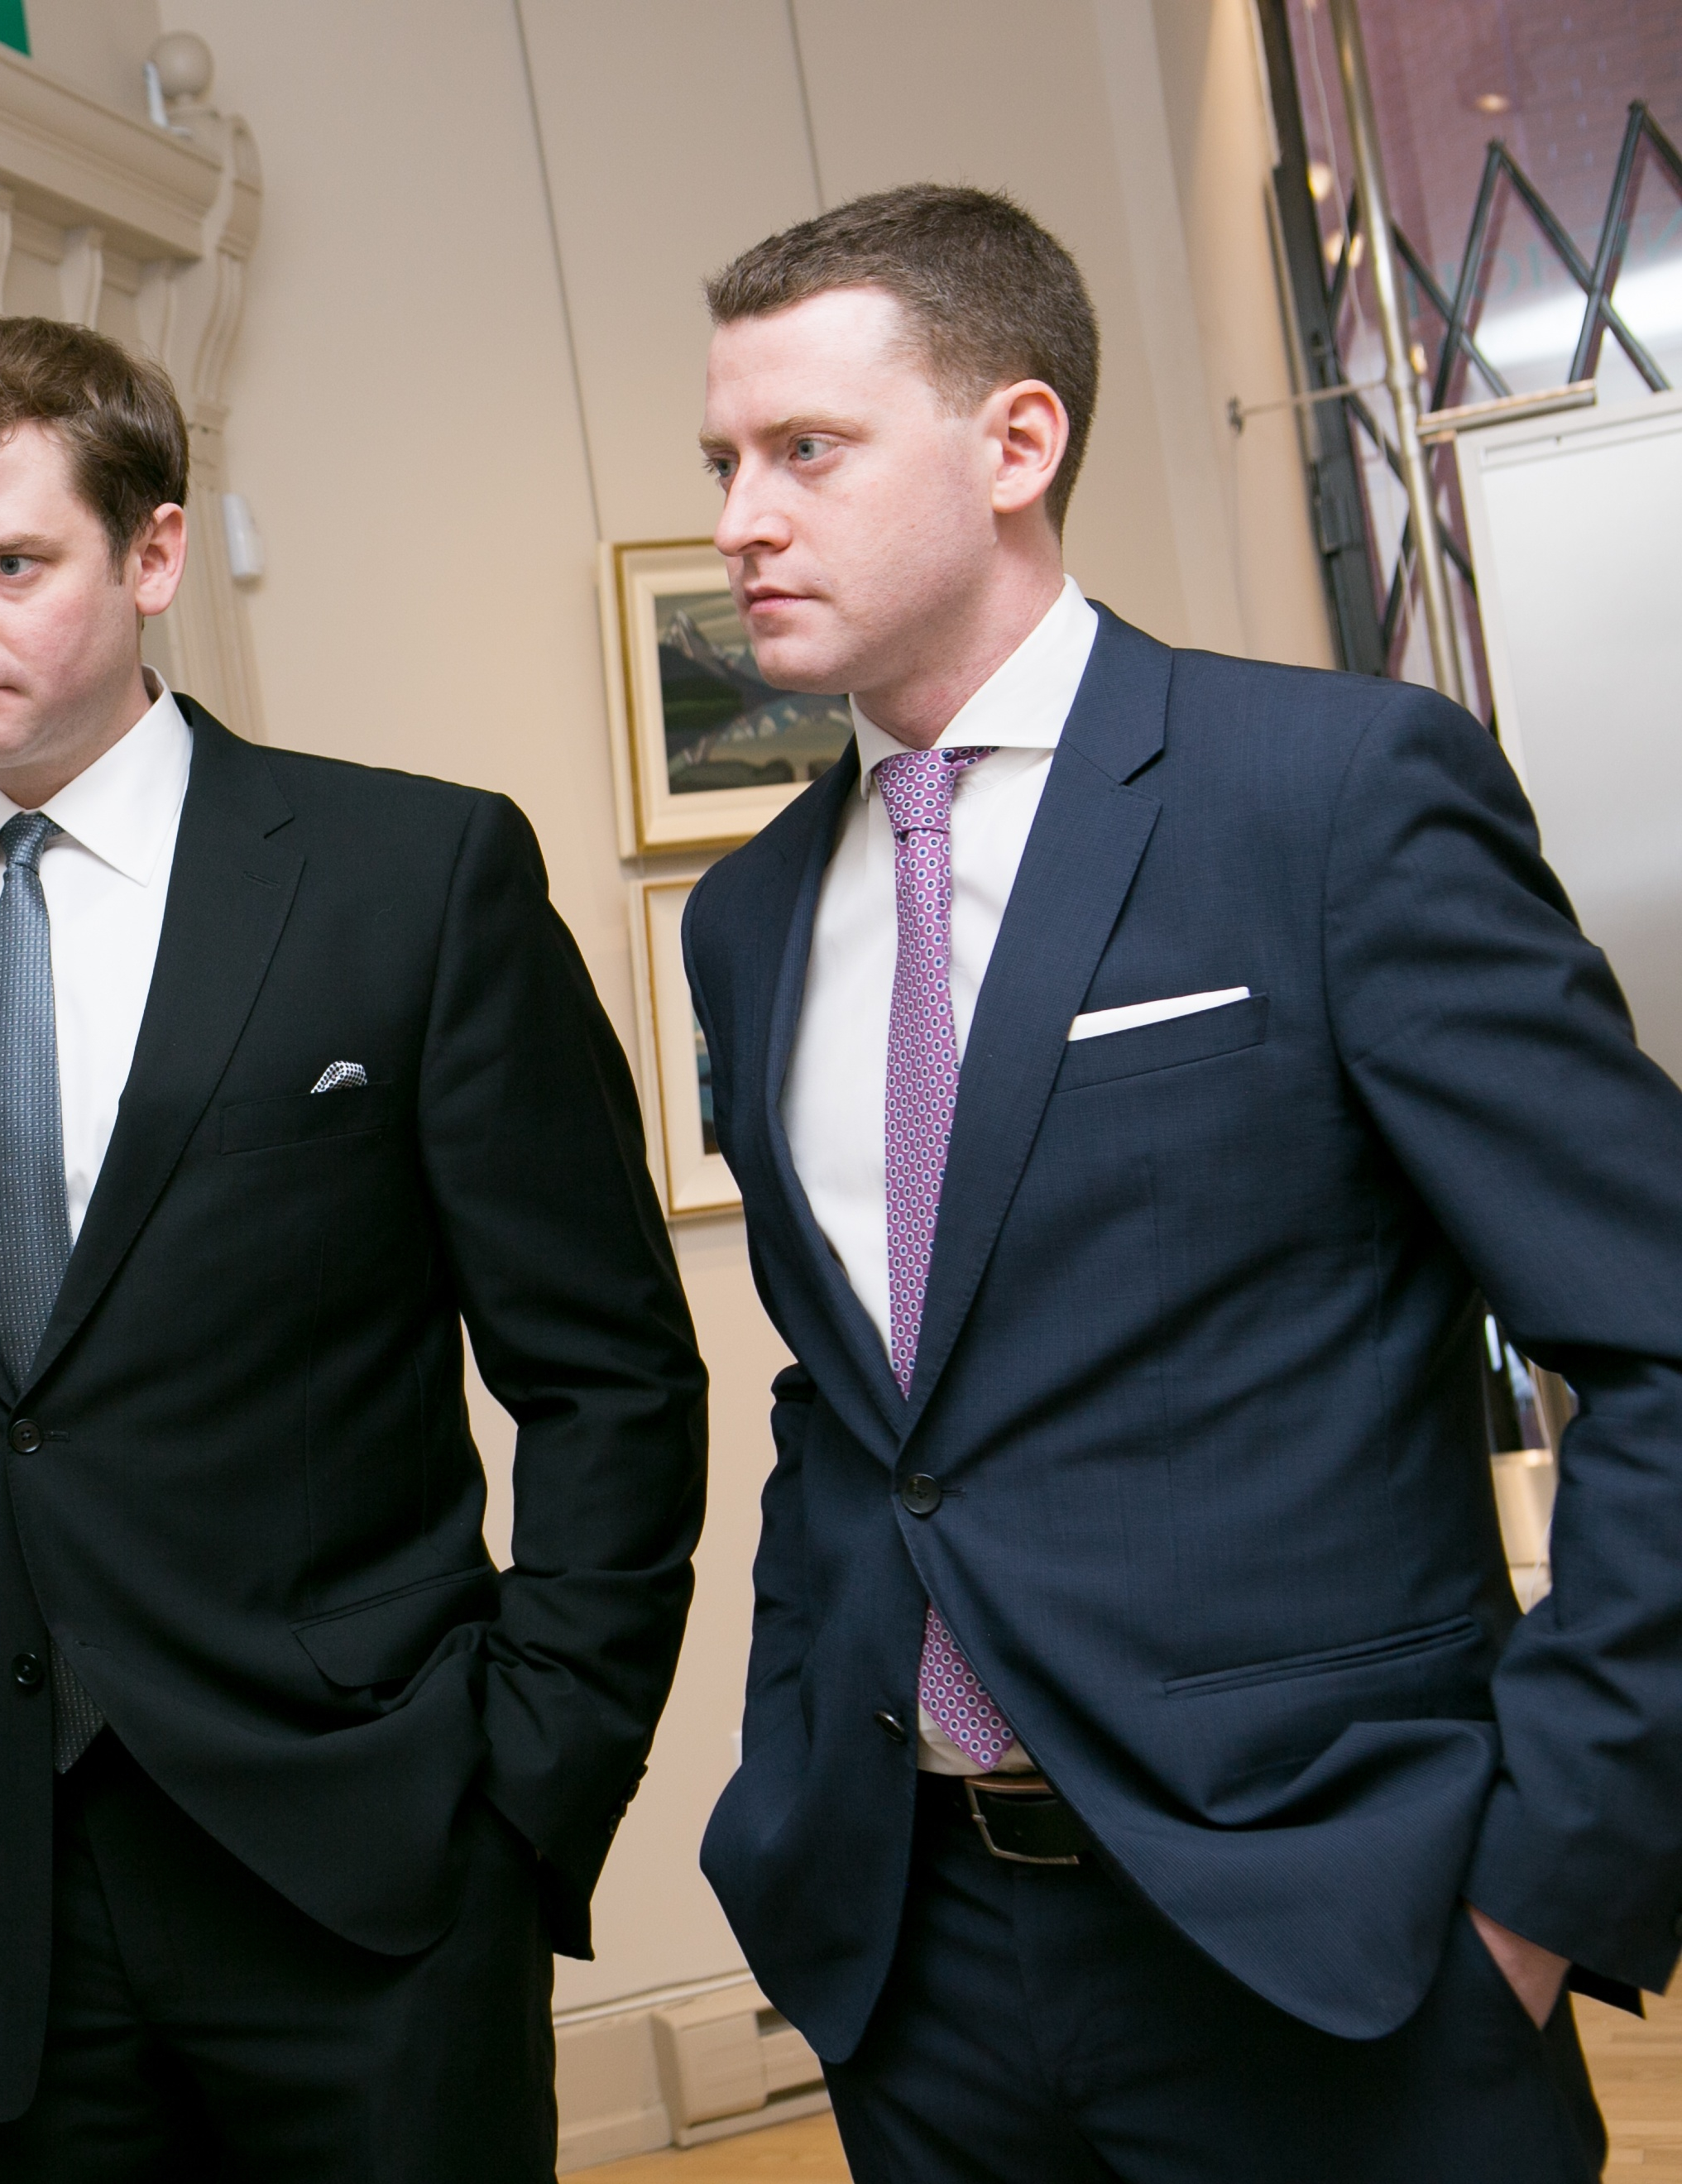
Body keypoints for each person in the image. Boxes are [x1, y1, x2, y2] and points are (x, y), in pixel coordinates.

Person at [682, 185, 1682, 2181]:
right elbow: (861, 1404)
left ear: (1017, 444)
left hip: (1339, 1942)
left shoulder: (1327, 795)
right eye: (721, 460)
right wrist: (798, 1777)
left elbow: (1658, 1349)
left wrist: (1540, 1886)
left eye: (807, 451)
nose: (738, 521)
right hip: (921, 1951)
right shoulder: (753, 918)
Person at [0, 317, 708, 2180]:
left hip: (366, 1865)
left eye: (10, 565)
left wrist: (534, 1785)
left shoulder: (412, 881)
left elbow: (608, 1372)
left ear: (151, 559)